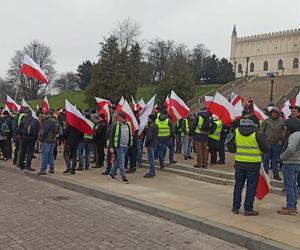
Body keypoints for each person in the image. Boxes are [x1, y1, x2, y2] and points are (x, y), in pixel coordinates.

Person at [226, 119, 267, 216]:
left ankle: (235, 207)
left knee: (238, 185)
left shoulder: (236, 131)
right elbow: (265, 148)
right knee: (251, 187)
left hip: (239, 163)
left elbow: (230, 145)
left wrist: (237, 149)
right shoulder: (257, 133)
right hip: (253, 164)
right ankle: (248, 209)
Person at [277, 117, 300, 215]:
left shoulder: (294, 135)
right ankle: (292, 205)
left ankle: (290, 207)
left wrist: (281, 157)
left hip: (291, 162)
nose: (285, 128)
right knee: (293, 186)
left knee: (289, 186)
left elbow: (290, 149)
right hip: (297, 162)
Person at [108, 112, 132, 184]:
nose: (118, 119)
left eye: (119, 117)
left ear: (123, 118)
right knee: (122, 161)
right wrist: (111, 146)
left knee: (119, 160)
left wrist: (130, 143)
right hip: (119, 146)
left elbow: (130, 134)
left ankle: (111, 174)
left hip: (126, 145)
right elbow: (111, 136)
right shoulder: (116, 125)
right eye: (118, 118)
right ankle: (123, 177)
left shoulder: (129, 124)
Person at [261, 107, 284, 180]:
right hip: (267, 143)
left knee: (275, 160)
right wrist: (263, 140)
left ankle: (276, 174)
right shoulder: (266, 121)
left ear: (278, 113)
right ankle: (265, 173)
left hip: (277, 143)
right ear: (270, 113)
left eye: (275, 112)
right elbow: (261, 131)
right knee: (266, 159)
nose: (274, 114)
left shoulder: (282, 121)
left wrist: (281, 139)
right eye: (273, 112)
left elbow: (284, 132)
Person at [37, 110, 60, 175]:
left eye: (46, 114)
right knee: (51, 155)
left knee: (45, 155)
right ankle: (52, 168)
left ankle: (43, 170)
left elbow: (45, 131)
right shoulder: (56, 121)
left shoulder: (48, 121)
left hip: (47, 140)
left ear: (48, 114)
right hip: (53, 140)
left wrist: (42, 139)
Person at [144, 114, 159, 178]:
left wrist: (146, 143)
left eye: (148, 118)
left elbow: (149, 137)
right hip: (154, 143)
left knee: (151, 159)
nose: (147, 119)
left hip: (150, 144)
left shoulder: (151, 126)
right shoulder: (156, 125)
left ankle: (151, 172)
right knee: (151, 158)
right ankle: (152, 171)